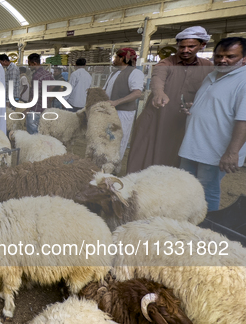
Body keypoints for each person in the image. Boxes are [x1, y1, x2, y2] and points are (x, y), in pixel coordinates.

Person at [127, 27, 212, 173]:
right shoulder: (166, 63)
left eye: (191, 46)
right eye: (182, 46)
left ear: (202, 45)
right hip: (157, 118)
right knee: (143, 154)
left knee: (175, 158)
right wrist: (159, 93)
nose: (185, 50)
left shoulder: (208, 67)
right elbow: (158, 77)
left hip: (182, 122)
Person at [178, 37, 246, 211]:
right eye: (218, 56)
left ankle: (205, 229)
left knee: (207, 191)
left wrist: (232, 153)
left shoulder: (243, 81)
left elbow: (243, 120)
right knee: (185, 186)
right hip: (194, 144)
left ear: (244, 58)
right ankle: (186, 223)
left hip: (216, 149)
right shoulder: (212, 76)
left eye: (230, 56)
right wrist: (194, 108)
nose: (222, 60)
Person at [103, 47, 144, 159]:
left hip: (123, 113)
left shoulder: (135, 73)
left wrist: (116, 102)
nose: (114, 59)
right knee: (107, 138)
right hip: (110, 111)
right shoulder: (114, 73)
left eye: (116, 57)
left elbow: (137, 93)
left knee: (119, 138)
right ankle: (105, 162)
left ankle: (115, 164)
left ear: (123, 58)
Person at [26, 53, 54, 134]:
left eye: (29, 64)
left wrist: (27, 110)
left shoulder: (37, 76)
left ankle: (34, 146)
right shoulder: (47, 73)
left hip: (36, 108)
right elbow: (54, 85)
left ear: (34, 63)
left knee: (33, 132)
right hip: (45, 108)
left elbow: (33, 95)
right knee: (43, 131)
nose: (29, 66)